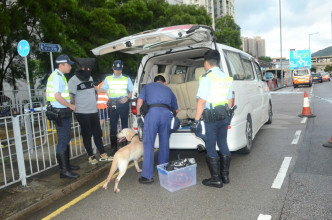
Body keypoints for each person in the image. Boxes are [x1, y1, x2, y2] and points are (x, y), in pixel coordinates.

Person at [190, 50, 234, 188]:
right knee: (223, 144)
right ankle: (225, 176)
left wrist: (196, 121)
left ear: (207, 62)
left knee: (210, 146)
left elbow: (201, 101)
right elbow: (230, 101)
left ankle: (216, 179)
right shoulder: (226, 77)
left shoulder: (206, 77)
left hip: (211, 118)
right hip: (224, 116)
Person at [68, 58, 112, 165]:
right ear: (81, 68)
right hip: (82, 112)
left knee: (97, 133)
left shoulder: (90, 77)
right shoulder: (73, 80)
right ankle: (90, 155)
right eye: (87, 68)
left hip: (93, 111)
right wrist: (73, 106)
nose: (88, 70)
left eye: (90, 68)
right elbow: (71, 96)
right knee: (87, 134)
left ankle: (102, 154)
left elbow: (93, 89)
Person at [136, 75, 178, 184]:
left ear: (154, 82)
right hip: (166, 115)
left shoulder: (147, 87)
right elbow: (176, 110)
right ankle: (163, 173)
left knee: (149, 144)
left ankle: (147, 176)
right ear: (164, 82)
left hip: (152, 114)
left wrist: (138, 117)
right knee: (164, 144)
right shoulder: (168, 89)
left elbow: (139, 102)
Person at [46, 54, 79, 179]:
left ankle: (67, 166)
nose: (70, 67)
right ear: (62, 65)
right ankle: (64, 171)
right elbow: (57, 96)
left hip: (61, 111)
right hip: (60, 111)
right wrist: (70, 106)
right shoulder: (57, 77)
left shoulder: (59, 76)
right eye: (68, 64)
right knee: (63, 139)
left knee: (65, 138)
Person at [96, 60, 133, 156]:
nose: (118, 71)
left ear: (122, 69)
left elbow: (132, 90)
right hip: (113, 103)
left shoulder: (126, 78)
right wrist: (95, 88)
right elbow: (103, 90)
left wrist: (127, 98)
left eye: (119, 69)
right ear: (113, 68)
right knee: (112, 126)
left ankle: (124, 146)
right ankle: (114, 148)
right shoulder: (108, 79)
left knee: (125, 125)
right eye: (116, 69)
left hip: (123, 103)